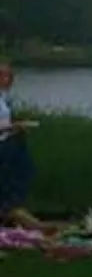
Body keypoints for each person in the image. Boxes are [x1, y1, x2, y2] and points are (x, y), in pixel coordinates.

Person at [0, 62, 47, 232]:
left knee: (24, 172)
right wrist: (15, 126)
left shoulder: (3, 97)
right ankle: (12, 212)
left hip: (7, 141)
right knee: (12, 180)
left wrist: (15, 128)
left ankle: (12, 212)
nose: (9, 80)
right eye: (5, 76)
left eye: (10, 76)